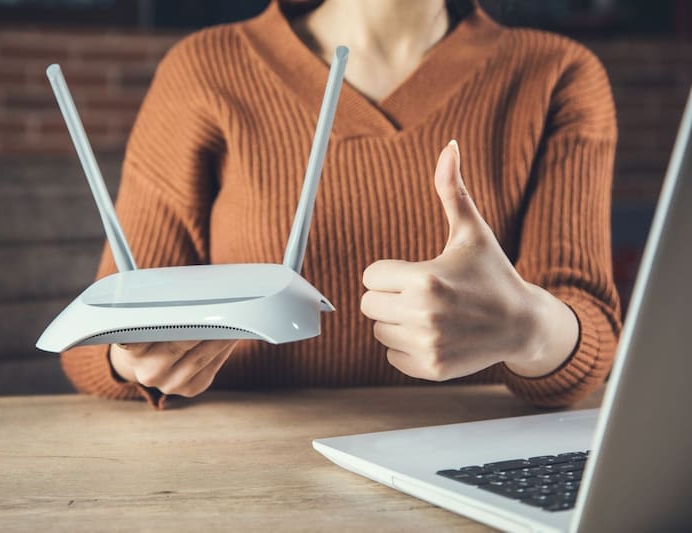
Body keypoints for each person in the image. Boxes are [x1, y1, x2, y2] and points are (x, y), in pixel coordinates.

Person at [61, 0, 621, 409]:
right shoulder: (205, 70)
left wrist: (530, 327)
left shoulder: (557, 74)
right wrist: (132, 356)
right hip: (242, 467)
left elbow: (590, 328)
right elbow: (102, 330)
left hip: (467, 458)